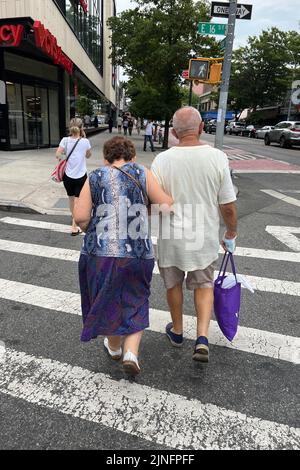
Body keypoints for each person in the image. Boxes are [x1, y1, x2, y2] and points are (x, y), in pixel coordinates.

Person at [74, 136, 173, 376]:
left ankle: (115, 347)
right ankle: (131, 352)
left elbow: (80, 217)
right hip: (138, 253)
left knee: (106, 298)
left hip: (100, 253)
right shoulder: (142, 172)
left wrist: (95, 229)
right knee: (136, 298)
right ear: (133, 156)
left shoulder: (96, 176)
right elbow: (167, 207)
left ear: (105, 158)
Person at [151, 107, 237, 363]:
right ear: (201, 128)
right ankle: (201, 337)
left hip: (171, 236)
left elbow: (155, 203)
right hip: (203, 236)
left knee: (172, 283)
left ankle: (177, 331)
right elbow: (228, 204)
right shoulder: (217, 158)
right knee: (204, 285)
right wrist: (231, 230)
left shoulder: (161, 160)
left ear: (175, 132)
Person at [56, 118, 92, 236]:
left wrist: (65, 158)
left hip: (68, 176)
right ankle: (74, 226)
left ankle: (74, 218)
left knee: (71, 199)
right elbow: (88, 156)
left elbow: (57, 154)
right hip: (81, 176)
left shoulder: (65, 140)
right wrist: (84, 138)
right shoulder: (85, 141)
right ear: (81, 128)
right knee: (78, 200)